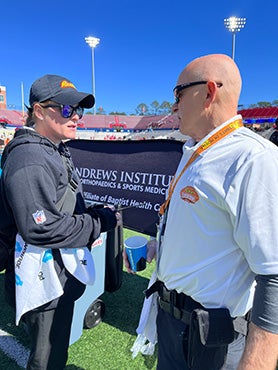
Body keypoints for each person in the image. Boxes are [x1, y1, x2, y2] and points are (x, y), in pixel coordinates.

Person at [124, 54, 278, 369]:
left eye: (178, 94)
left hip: (211, 337)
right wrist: (158, 248)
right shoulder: (196, 150)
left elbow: (273, 273)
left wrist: (257, 363)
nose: (173, 106)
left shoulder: (253, 159)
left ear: (208, 93)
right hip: (170, 320)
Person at [0, 74, 121, 370]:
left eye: (79, 110)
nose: (76, 116)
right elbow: (40, 227)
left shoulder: (53, 147)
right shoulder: (31, 155)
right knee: (47, 360)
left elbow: (58, 206)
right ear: (39, 111)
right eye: (66, 109)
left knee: (52, 351)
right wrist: (98, 221)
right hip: (44, 280)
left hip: (57, 272)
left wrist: (90, 212)